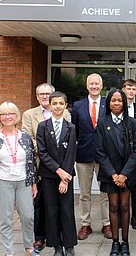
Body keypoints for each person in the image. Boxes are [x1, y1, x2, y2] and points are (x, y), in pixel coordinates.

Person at [0, 102, 38, 256]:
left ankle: (29, 247)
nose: (7, 117)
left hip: (23, 181)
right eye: (3, 114)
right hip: (3, 182)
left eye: (11, 113)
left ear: (16, 116)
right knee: (5, 219)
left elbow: (31, 162)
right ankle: (9, 251)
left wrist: (33, 184)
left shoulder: (25, 136)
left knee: (28, 216)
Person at [22, 82, 70, 252]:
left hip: (59, 168)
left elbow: (67, 142)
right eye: (41, 94)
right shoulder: (29, 115)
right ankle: (40, 237)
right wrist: (47, 148)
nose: (44, 96)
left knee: (60, 205)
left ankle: (61, 236)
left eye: (47, 93)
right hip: (38, 165)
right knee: (40, 204)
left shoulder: (65, 114)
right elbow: (28, 139)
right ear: (37, 97)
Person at [96, 89, 136, 256]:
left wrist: (124, 174)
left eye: (119, 101)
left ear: (124, 103)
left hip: (127, 173)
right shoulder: (102, 122)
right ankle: (115, 242)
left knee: (124, 206)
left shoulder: (133, 123)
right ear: (108, 103)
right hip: (110, 174)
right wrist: (113, 175)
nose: (116, 103)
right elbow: (99, 151)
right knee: (113, 206)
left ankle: (126, 242)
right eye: (113, 100)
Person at [71, 73, 111, 240]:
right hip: (84, 155)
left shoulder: (108, 104)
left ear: (102, 86)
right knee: (84, 193)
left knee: (105, 193)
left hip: (104, 156)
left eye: (97, 84)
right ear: (87, 86)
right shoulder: (78, 105)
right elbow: (74, 130)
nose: (94, 86)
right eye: (91, 84)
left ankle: (107, 224)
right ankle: (85, 224)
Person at [37, 91, 77, 256]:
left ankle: (69, 245)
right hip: (49, 175)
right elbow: (43, 152)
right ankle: (56, 246)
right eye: (55, 103)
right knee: (51, 210)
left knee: (67, 210)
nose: (58, 106)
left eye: (61, 103)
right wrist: (58, 171)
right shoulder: (43, 126)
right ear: (49, 105)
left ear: (66, 105)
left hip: (66, 177)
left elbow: (71, 153)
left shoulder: (71, 127)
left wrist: (64, 178)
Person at [122, 79, 136, 230]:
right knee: (120, 187)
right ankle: (120, 216)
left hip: (135, 154)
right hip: (119, 153)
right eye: (128, 88)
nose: (131, 91)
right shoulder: (116, 107)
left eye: (133, 89)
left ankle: (135, 217)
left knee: (135, 188)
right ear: (123, 89)